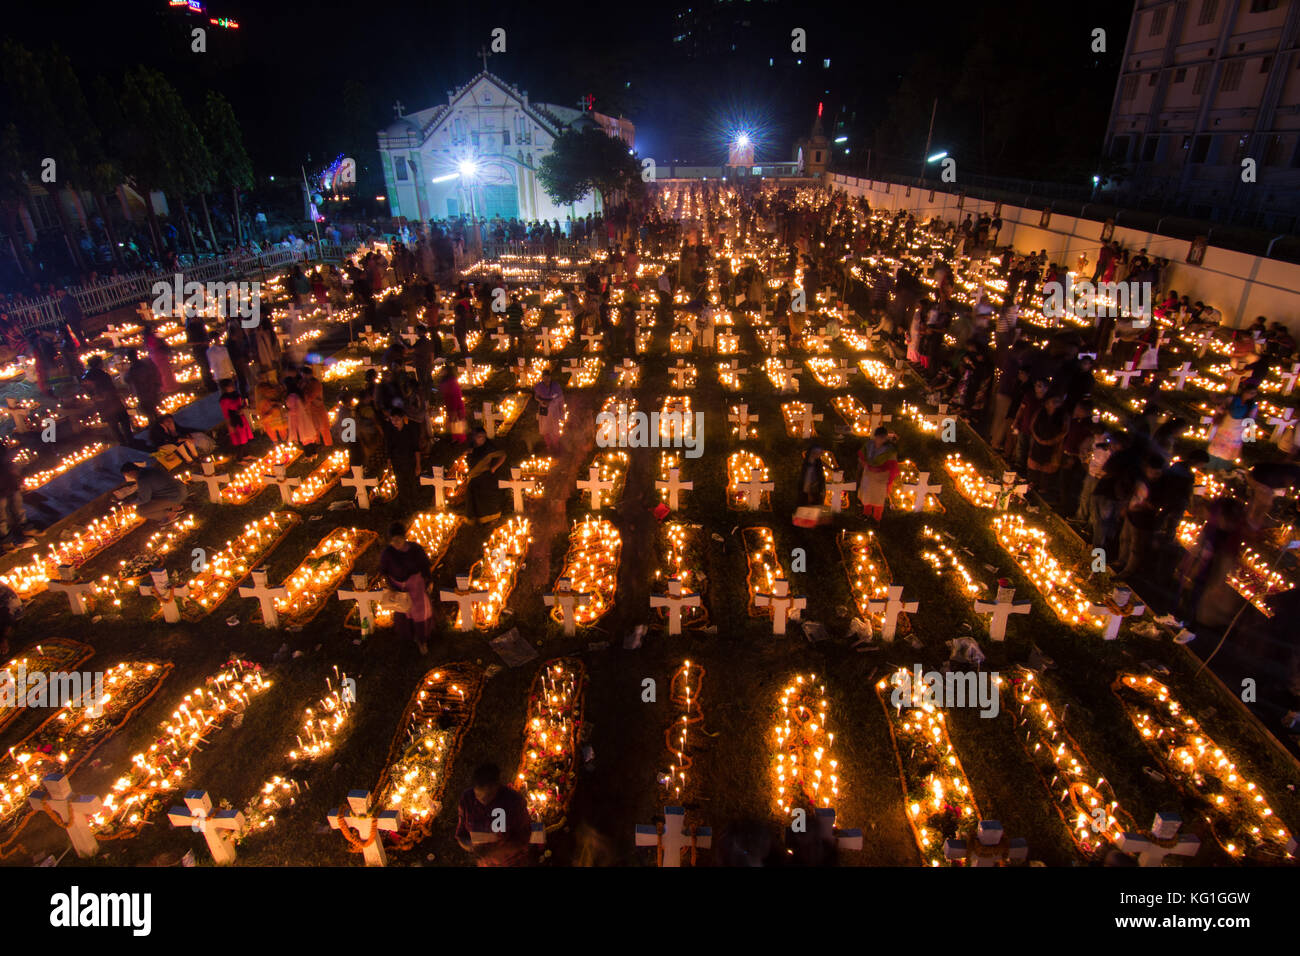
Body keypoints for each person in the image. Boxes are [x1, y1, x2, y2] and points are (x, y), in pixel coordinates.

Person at [454, 763, 533, 866]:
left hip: (511, 862)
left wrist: (497, 851)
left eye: (489, 795)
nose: (484, 801)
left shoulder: (513, 802)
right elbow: (461, 835)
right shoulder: (467, 799)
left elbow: (526, 837)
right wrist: (472, 847)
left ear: (497, 786)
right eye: (479, 796)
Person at [379, 521, 435, 654]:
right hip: (398, 588)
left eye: (399, 540)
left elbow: (424, 566)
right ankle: (408, 638)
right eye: (393, 541)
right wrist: (390, 587)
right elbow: (384, 571)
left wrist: (429, 581)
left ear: (404, 537)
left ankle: (422, 640)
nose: (396, 543)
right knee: (404, 613)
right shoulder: (388, 553)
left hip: (416, 587)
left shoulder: (415, 549)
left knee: (419, 613)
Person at [81, 356, 137, 447]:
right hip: (112, 403)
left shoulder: (85, 378)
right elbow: (110, 389)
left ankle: (122, 442)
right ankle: (130, 440)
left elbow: (88, 391)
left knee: (113, 424)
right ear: (99, 364)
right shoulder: (103, 375)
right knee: (124, 420)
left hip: (101, 405)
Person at [381, 404, 423, 512]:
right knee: (400, 483)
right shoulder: (390, 431)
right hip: (397, 462)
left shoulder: (410, 431)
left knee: (412, 482)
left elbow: (416, 448)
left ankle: (415, 504)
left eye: (397, 420)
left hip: (409, 461)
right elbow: (389, 448)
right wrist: (389, 465)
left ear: (403, 418)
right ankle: (404, 506)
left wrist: (418, 465)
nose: (394, 422)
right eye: (392, 420)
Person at [461, 426, 506, 524]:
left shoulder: (488, 448)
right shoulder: (471, 446)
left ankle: (491, 518)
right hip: (473, 477)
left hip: (485, 476)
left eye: (483, 437)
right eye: (479, 437)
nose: (481, 439)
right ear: (474, 437)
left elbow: (503, 455)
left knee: (486, 499)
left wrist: (494, 467)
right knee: (474, 499)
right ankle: (476, 519)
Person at [119, 461, 187, 522]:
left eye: (127, 475)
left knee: (140, 511)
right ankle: (176, 506)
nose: (129, 477)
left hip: (175, 497)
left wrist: (130, 503)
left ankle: (169, 515)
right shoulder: (150, 469)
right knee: (151, 498)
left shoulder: (142, 479)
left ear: (131, 472)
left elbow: (144, 499)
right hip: (181, 489)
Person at [857, 428, 899, 522]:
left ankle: (877, 518)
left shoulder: (889, 451)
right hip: (868, 474)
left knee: (878, 498)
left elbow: (892, 465)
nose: (880, 440)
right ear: (875, 436)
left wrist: (880, 470)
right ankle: (866, 513)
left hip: (881, 477)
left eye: (883, 438)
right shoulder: (869, 445)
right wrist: (863, 462)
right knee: (867, 494)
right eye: (879, 437)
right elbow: (861, 455)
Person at [125, 349, 162, 424]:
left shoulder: (133, 369)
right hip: (149, 391)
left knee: (150, 411)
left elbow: (127, 379)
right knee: (152, 410)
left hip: (144, 393)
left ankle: (155, 425)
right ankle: (156, 423)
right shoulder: (143, 364)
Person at [533, 367, 565, 453]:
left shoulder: (555, 386)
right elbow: (536, 397)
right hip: (544, 409)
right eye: (544, 377)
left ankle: (556, 445)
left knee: (554, 428)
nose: (546, 379)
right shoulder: (539, 386)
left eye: (548, 377)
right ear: (542, 377)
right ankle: (549, 446)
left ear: (550, 377)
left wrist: (555, 404)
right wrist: (541, 401)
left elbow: (561, 398)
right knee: (545, 428)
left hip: (554, 409)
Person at [254, 370, 289, 443]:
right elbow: (259, 399)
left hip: (275, 411)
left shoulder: (271, 386)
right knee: (270, 430)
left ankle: (286, 442)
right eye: (261, 378)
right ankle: (276, 443)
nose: (262, 379)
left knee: (281, 428)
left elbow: (277, 395)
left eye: (263, 377)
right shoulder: (258, 388)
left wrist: (275, 403)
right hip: (266, 410)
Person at [220, 379, 254, 448]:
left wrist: (243, 407)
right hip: (234, 419)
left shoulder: (236, 394)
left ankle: (247, 453)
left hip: (241, 416)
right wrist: (230, 425)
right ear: (226, 388)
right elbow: (226, 413)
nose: (233, 386)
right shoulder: (224, 399)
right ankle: (242, 455)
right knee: (240, 437)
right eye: (230, 385)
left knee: (245, 434)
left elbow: (241, 403)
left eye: (232, 384)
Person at [439, 364, 467, 443]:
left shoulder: (451, 382)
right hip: (450, 405)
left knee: (457, 423)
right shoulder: (445, 381)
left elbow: (455, 396)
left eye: (443, 370)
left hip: (456, 406)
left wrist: (454, 409)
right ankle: (455, 438)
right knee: (453, 423)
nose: (442, 372)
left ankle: (460, 439)